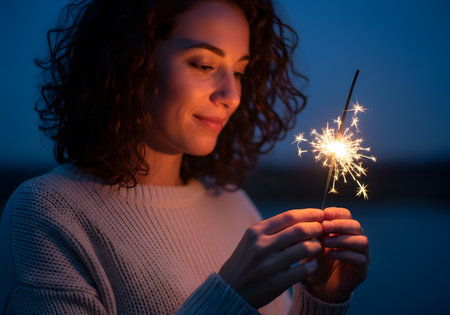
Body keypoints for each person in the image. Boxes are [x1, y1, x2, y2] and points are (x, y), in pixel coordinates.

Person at [0, 0, 370, 314]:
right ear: (131, 61)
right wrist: (229, 298)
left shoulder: (230, 201)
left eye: (239, 71)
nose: (231, 95)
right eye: (204, 65)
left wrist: (321, 297)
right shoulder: (45, 215)